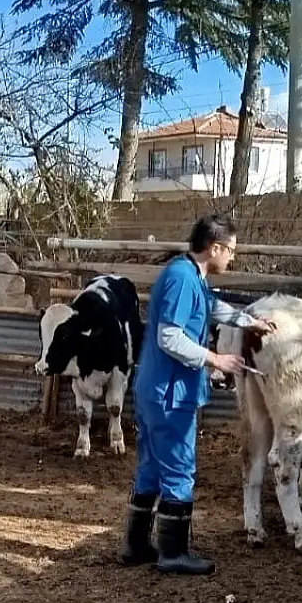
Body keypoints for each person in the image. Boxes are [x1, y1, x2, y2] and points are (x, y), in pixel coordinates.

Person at [119, 213, 276, 575]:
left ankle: (136, 544)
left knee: (152, 467)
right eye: (231, 250)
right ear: (214, 247)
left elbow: (210, 308)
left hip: (156, 389)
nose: (232, 258)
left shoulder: (190, 275)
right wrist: (216, 358)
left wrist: (247, 320)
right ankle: (173, 553)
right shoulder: (182, 280)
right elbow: (169, 337)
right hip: (170, 393)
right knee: (179, 468)